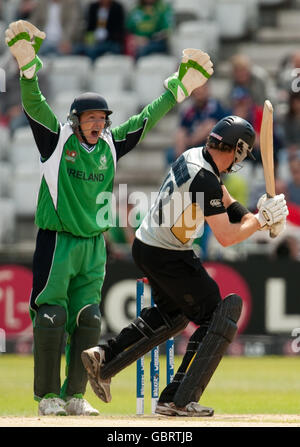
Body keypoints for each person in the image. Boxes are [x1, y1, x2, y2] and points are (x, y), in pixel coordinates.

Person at [5, 20, 214, 416]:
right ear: (75, 121)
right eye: (91, 118)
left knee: (88, 321)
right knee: (52, 318)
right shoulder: (57, 140)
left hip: (93, 245)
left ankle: (73, 395)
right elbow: (35, 107)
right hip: (57, 240)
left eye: (103, 118)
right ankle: (48, 396)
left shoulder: (110, 147)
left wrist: (178, 88)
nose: (98, 124)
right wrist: (29, 71)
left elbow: (147, 119)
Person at [82, 119, 288, 416]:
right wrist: (260, 221)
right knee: (218, 316)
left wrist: (257, 216)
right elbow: (227, 237)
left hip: (148, 245)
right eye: (242, 154)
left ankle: (105, 356)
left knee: (173, 316)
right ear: (238, 150)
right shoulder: (203, 179)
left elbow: (228, 204)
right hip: (168, 253)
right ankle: (177, 399)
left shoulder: (195, 155)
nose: (239, 161)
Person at [166, 82, 230, 165]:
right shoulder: (188, 109)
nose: (199, 92)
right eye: (196, 90)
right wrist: (182, 142)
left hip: (210, 146)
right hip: (190, 146)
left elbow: (219, 127)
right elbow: (182, 129)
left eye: (202, 89)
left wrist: (191, 140)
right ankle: (179, 168)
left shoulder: (216, 106)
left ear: (207, 90)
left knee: (210, 125)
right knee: (172, 150)